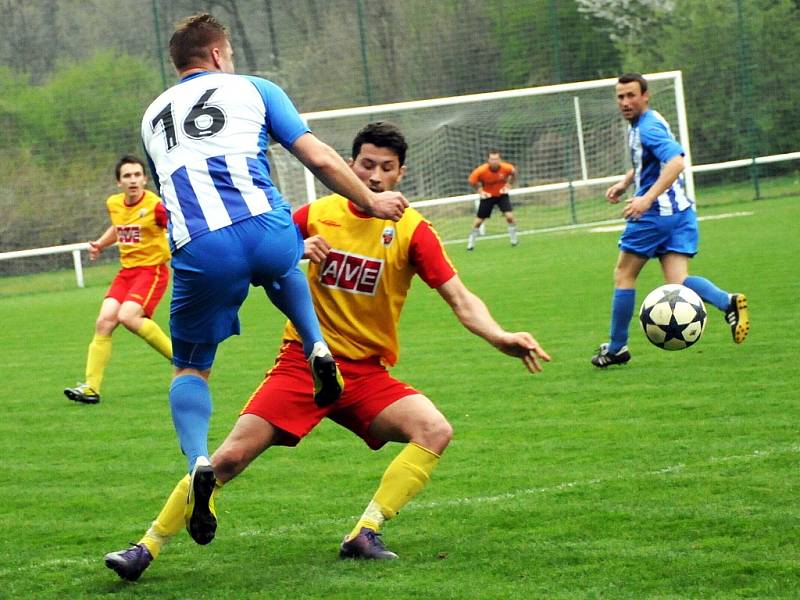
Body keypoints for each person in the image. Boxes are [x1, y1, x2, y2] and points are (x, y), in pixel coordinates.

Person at [104, 121, 550, 581]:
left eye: (387, 168)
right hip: (303, 363)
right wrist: (295, 249)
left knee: (434, 430)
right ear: (349, 165)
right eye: (366, 165)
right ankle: (146, 547)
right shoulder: (314, 214)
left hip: (365, 375)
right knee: (228, 459)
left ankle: (365, 531)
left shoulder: (413, 230)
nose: (375, 176)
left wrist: (499, 336)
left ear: (401, 174)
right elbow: (258, 258)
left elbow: (460, 296)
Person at [140, 12, 408, 501]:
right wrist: (369, 201)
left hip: (202, 244)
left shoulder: (152, 116)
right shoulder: (256, 88)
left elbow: (169, 193)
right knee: (283, 265)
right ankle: (316, 346)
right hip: (268, 225)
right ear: (219, 54)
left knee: (191, 368)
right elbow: (321, 157)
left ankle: (199, 458)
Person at [591, 73, 750, 368]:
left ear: (645, 95)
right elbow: (650, 162)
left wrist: (645, 199)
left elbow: (676, 161)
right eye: (620, 97)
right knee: (678, 281)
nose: (625, 102)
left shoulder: (647, 127)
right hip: (680, 213)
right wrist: (627, 182)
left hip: (655, 216)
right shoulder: (649, 121)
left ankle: (616, 348)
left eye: (631, 96)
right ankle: (728, 302)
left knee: (624, 275)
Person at [64, 156, 172, 405]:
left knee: (128, 317)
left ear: (145, 179)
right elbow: (118, 227)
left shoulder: (155, 206)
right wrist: (101, 244)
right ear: (118, 182)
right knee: (104, 322)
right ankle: (91, 388)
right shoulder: (114, 204)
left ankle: (181, 361)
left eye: (137, 175)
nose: (133, 180)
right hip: (126, 274)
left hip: (151, 271)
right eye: (127, 176)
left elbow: (177, 226)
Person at [466, 150, 518, 250]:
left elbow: (513, 173)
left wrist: (509, 185)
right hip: (488, 196)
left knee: (509, 216)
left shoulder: (506, 167)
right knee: (478, 221)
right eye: (492, 159)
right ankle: (471, 242)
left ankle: (514, 239)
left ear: (500, 160)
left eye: (496, 159)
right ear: (488, 160)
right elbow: (471, 181)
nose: (494, 161)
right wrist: (480, 190)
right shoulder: (481, 171)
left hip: (501, 194)